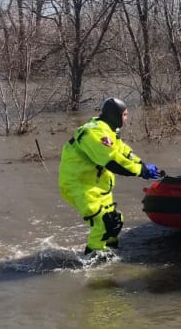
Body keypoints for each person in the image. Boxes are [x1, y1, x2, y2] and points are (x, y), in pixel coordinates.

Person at [58, 97, 160, 255]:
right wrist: (140, 171)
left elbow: (123, 151)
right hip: (79, 185)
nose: (126, 118)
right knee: (103, 223)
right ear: (115, 115)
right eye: (125, 114)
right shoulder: (95, 133)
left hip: (97, 185)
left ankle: (111, 255)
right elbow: (112, 162)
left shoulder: (109, 130)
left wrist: (143, 164)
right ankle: (91, 261)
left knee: (115, 222)